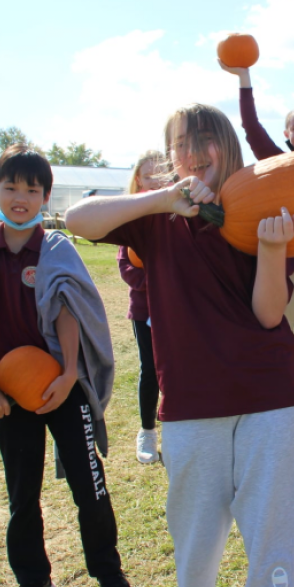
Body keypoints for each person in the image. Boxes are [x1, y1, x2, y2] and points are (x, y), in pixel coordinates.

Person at [66, 104, 294, 587]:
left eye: (205, 140)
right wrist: (162, 198)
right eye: (181, 143)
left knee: (272, 538)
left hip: (272, 401)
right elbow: (76, 220)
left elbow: (269, 316)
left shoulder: (262, 207)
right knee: (196, 546)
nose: (194, 153)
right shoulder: (157, 219)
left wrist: (272, 248)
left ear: (228, 144)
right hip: (191, 407)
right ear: (170, 154)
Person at [0, 144, 134, 587]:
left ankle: (109, 574)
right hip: (10, 394)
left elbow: (67, 312)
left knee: (90, 488)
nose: (21, 197)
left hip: (62, 387)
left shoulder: (56, 249)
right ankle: (34, 583)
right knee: (23, 498)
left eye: (32, 189)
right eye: (11, 188)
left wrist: (70, 372)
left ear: (45, 197)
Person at [222, 61, 294, 396]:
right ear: (286, 134)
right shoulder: (275, 161)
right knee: (280, 334)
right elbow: (251, 127)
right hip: (289, 264)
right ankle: (273, 399)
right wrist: (244, 79)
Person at [115, 150, 164, 464]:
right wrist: (160, 281)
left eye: (162, 175)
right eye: (149, 176)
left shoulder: (178, 215)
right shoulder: (129, 217)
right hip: (146, 310)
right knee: (151, 371)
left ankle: (174, 427)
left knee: (177, 371)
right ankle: (147, 431)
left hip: (177, 310)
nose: (156, 181)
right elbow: (127, 268)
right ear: (137, 180)